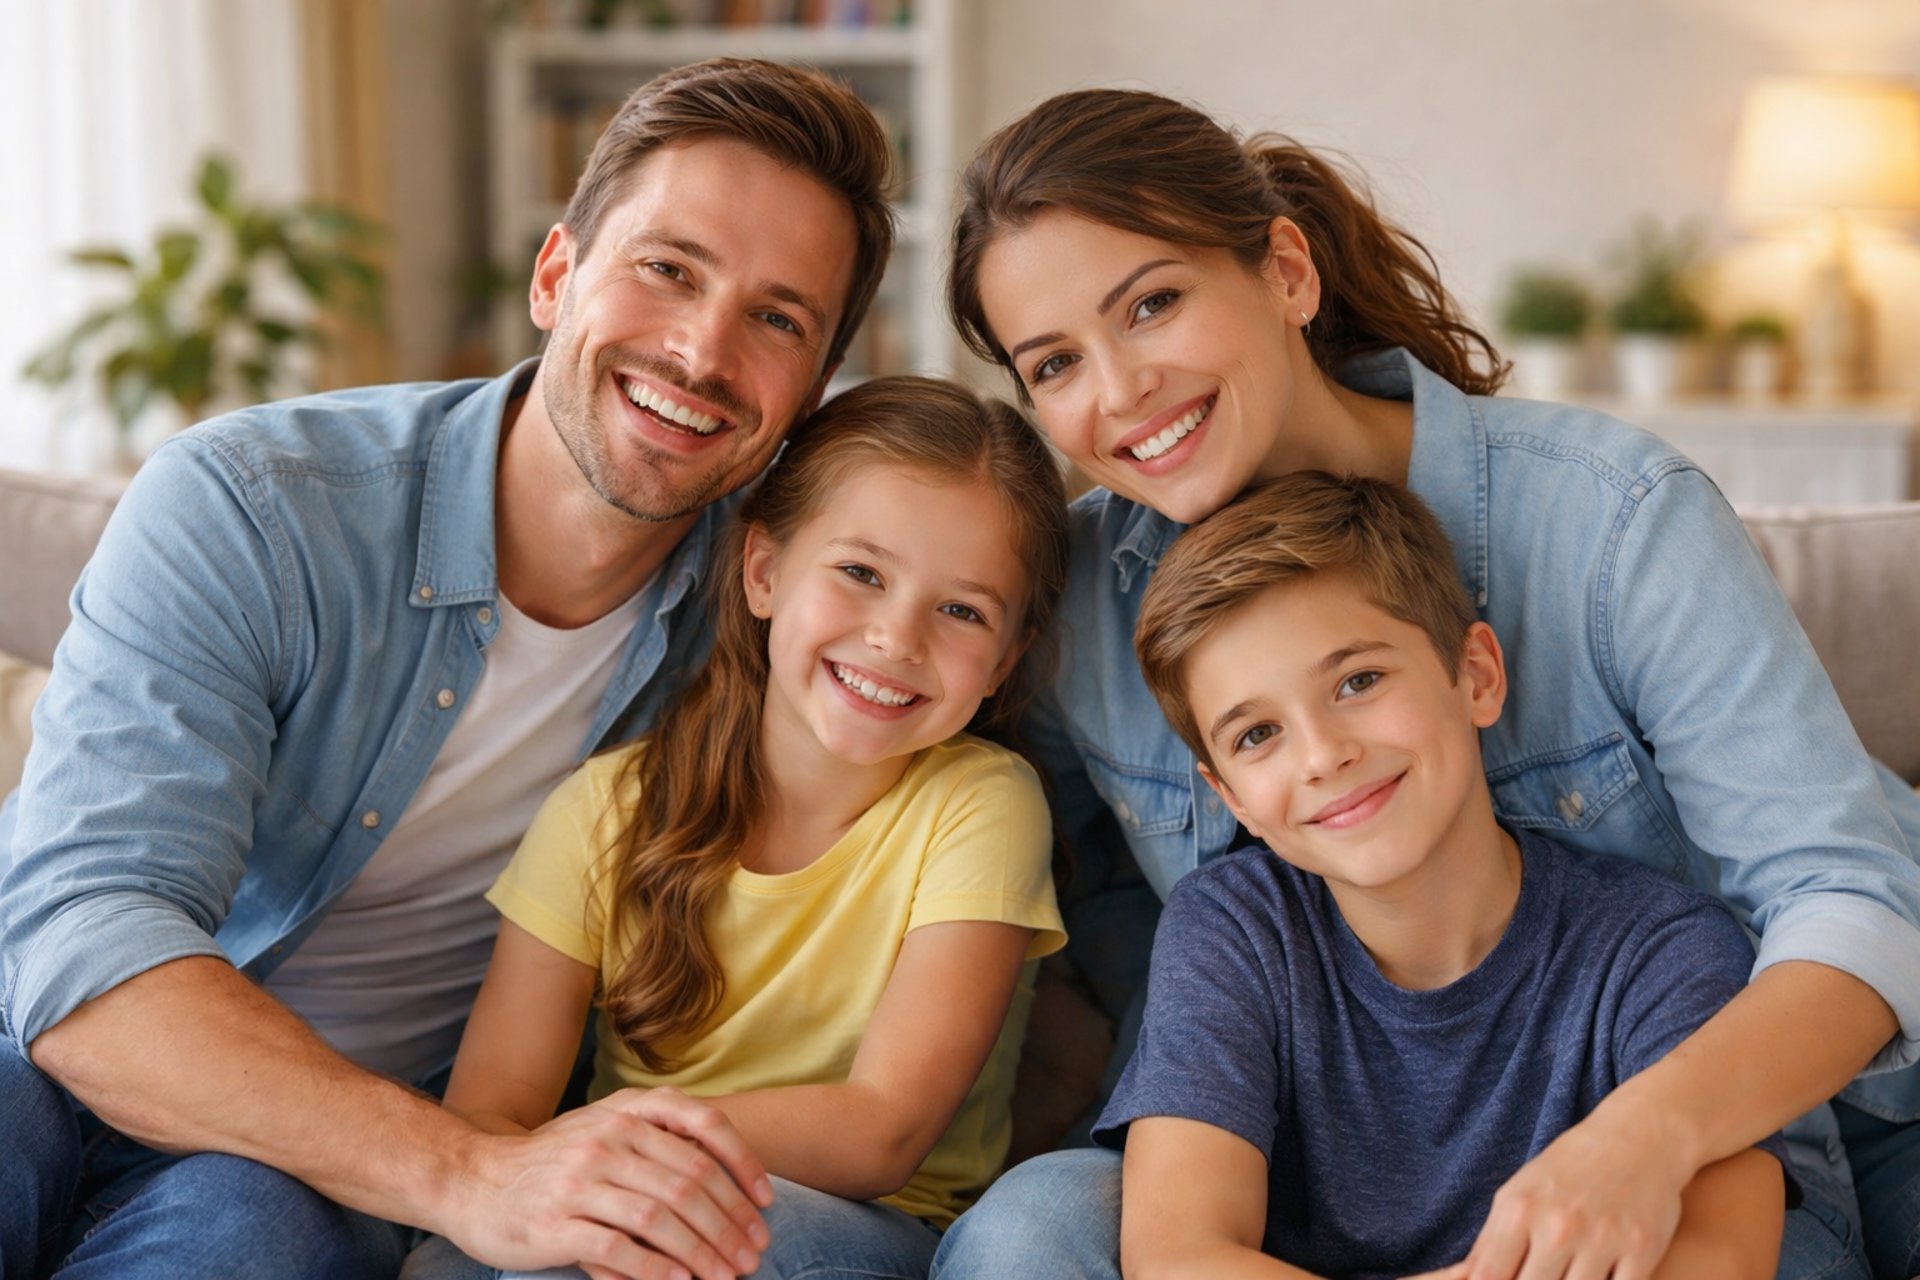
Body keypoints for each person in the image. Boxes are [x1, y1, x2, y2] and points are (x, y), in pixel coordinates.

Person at [930, 88, 1920, 1280]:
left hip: (1709, 1123)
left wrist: (1638, 1136)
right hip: (1311, 1169)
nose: (1121, 388)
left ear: (1286, 271)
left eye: (1152, 304)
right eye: (1054, 363)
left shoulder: (1610, 520)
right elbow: (1075, 883)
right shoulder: (1076, 595)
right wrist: (1227, 1072)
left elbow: (1853, 899)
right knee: (1030, 1234)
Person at [0, 58, 896, 1280]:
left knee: (250, 1241)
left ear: (815, 386)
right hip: (42, 1052)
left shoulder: (792, 619)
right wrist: (472, 1174)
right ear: (555, 274)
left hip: (320, 1170)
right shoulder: (255, 507)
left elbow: (1003, 609)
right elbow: (83, 935)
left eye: (779, 319)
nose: (701, 350)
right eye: (667, 268)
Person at [405, 375, 1070, 1280]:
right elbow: (491, 1118)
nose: (896, 638)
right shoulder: (604, 810)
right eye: (861, 573)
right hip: (617, 1198)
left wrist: (625, 1149)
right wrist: (603, 1182)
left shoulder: (983, 805)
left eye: (961, 611)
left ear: (1003, 662)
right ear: (763, 572)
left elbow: (883, 1131)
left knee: (721, 1252)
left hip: (860, 1228)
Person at [1107, 469, 1784, 1278]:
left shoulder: (1659, 947)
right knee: (1035, 1221)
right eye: (1257, 735)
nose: (1323, 756)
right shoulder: (1234, 927)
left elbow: (1724, 1256)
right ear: (1231, 800)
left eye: (1358, 682)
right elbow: (1178, 1255)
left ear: (1478, 677)